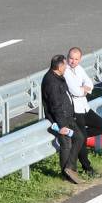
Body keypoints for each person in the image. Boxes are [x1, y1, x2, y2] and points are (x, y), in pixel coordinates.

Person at [41, 55, 82, 184]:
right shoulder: (51, 82)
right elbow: (55, 106)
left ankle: (70, 168)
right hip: (61, 119)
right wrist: (62, 125)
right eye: (65, 65)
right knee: (66, 144)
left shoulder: (57, 76)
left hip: (67, 115)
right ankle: (66, 174)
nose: (67, 67)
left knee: (79, 137)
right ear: (59, 67)